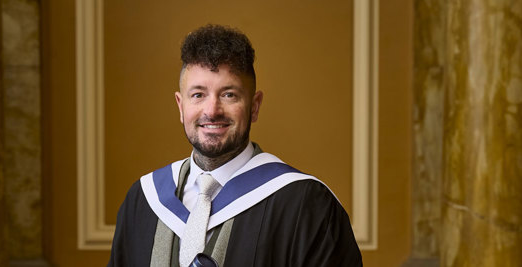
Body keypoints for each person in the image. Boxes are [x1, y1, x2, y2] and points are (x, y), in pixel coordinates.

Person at [108, 24, 363, 267]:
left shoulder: (306, 205)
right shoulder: (142, 200)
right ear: (180, 106)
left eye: (229, 94)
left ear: (254, 106)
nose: (212, 110)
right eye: (198, 95)